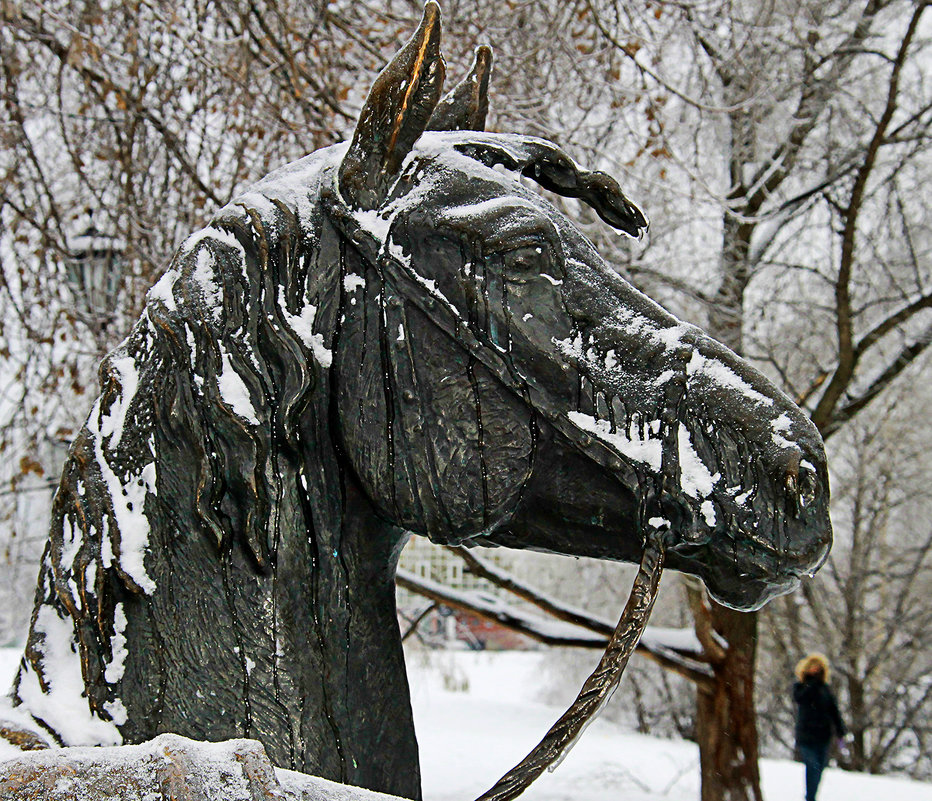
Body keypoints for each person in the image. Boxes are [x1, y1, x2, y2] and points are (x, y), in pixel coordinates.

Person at [793, 653, 847, 801]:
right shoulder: (800, 687)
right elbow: (800, 698)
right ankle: (810, 797)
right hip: (805, 735)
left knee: (820, 768)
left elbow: (833, 711)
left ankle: (812, 796)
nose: (815, 671)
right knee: (812, 765)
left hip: (823, 736)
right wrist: (812, 684)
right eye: (812, 668)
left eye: (818, 668)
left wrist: (840, 731)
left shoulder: (825, 690)